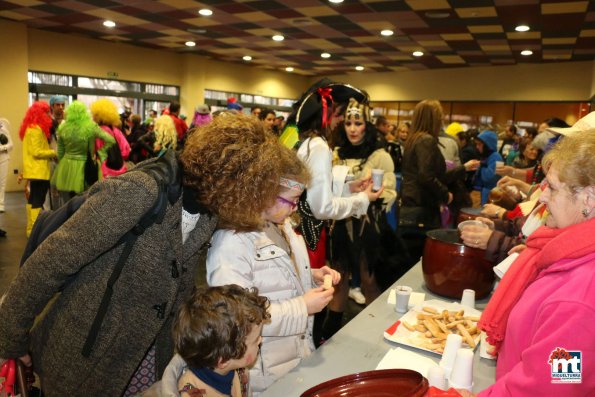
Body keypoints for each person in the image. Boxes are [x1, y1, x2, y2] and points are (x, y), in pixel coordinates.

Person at [0, 113, 296, 397]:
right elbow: (50, 262)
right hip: (86, 355)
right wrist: (11, 339)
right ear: (236, 182)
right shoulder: (139, 192)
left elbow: (177, 282)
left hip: (145, 357)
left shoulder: (207, 209)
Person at [468, 131, 595, 397]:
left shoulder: (579, 302)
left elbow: (550, 387)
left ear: (589, 198)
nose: (543, 197)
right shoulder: (566, 252)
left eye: (553, 187)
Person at [207, 145, 340, 395]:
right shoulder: (230, 243)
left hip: (294, 358)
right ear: (263, 193)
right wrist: (303, 307)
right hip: (264, 376)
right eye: (292, 200)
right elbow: (238, 318)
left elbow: (273, 276)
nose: (295, 207)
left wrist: (309, 275)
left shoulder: (283, 225)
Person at [288, 79, 382, 345]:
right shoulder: (318, 145)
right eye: (340, 115)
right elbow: (321, 207)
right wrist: (361, 199)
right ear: (328, 113)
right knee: (313, 301)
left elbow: (311, 189)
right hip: (311, 236)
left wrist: (349, 186)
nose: (341, 121)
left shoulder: (301, 140)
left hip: (299, 232)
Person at [325, 98, 396, 334]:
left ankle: (374, 332)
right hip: (341, 225)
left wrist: (375, 194)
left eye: (358, 123)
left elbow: (390, 191)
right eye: (348, 123)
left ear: (368, 124)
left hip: (369, 228)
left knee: (369, 280)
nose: (353, 129)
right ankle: (330, 333)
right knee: (339, 279)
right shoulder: (335, 153)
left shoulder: (379, 155)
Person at [142, 284, 270, 397]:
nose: (260, 340)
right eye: (254, 341)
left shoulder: (239, 370)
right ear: (223, 360)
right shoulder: (192, 392)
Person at [51, 101, 116, 201]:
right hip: (86, 165)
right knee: (86, 198)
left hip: (67, 166)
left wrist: (62, 165)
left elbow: (60, 152)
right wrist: (100, 154)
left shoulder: (63, 128)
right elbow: (110, 140)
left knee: (69, 199)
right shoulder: (91, 126)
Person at [19, 101, 57, 236]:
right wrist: (54, 152)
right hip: (39, 171)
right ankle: (35, 232)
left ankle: (30, 230)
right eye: (46, 112)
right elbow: (36, 151)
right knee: (37, 202)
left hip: (34, 171)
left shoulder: (30, 128)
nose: (49, 115)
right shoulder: (36, 129)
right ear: (39, 114)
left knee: (32, 201)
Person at [90, 98, 131, 178]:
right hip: (121, 170)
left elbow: (94, 153)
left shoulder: (98, 132)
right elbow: (126, 150)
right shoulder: (117, 131)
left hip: (104, 173)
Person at [473, 130, 502, 205]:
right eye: (476, 144)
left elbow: (491, 178)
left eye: (479, 144)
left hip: (491, 194)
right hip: (484, 192)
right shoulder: (486, 156)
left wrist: (481, 166)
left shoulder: (496, 157)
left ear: (487, 145)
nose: (477, 147)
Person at [0, 118, 13, 214]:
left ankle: (1, 204)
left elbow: (10, 145)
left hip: (3, 158)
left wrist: (2, 148)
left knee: (2, 182)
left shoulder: (3, 124)